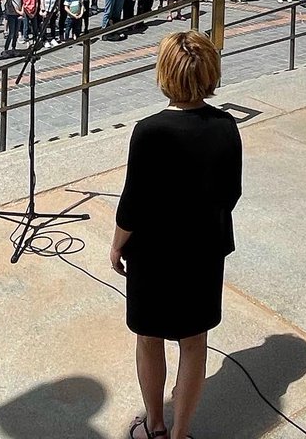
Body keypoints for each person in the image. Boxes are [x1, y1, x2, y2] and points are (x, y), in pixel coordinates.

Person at [111, 31, 242, 439]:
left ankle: (155, 424)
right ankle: (182, 432)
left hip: (155, 253)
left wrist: (116, 246)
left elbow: (132, 203)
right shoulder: (226, 125)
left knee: (149, 337)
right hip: (203, 250)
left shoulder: (150, 131)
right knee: (194, 341)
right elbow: (231, 192)